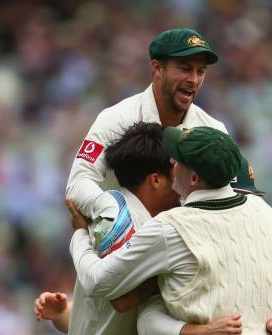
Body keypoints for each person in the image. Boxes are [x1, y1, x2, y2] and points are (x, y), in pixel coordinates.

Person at [39, 150, 272, 335]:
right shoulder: (172, 236)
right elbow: (128, 309)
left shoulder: (252, 239)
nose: (239, 212)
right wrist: (200, 333)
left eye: (245, 200)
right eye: (236, 198)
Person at [65, 28, 227, 238]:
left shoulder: (214, 131)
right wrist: (114, 216)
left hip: (186, 257)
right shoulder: (116, 119)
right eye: (185, 69)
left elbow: (230, 200)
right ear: (157, 68)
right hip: (117, 256)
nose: (194, 80)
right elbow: (79, 182)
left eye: (200, 71)